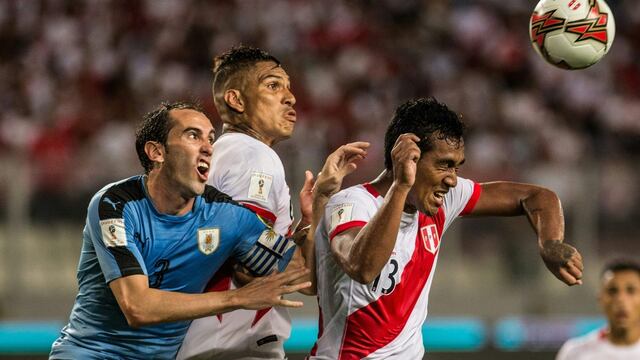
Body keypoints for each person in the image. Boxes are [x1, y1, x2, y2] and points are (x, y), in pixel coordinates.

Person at [309, 97, 585, 359]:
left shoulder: (441, 201)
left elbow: (538, 197)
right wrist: (402, 185)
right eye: (444, 165)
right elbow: (363, 267)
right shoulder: (351, 203)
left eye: (456, 167)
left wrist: (550, 242)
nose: (453, 180)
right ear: (408, 158)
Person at [48, 101, 312, 360]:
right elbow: (137, 307)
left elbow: (300, 274)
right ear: (157, 152)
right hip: (91, 353)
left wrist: (315, 212)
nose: (209, 147)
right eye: (193, 135)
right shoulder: (115, 205)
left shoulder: (228, 216)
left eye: (210, 138)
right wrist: (237, 298)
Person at [178, 46, 370, 359]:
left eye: (288, 86)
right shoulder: (253, 155)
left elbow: (271, 261)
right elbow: (250, 268)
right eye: (273, 85)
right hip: (232, 346)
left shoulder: (222, 154)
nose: (291, 97)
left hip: (207, 343)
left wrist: (313, 212)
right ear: (236, 100)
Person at [556, 259, 640, 360]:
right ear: (600, 299)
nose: (620, 300)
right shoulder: (574, 353)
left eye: (631, 290)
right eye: (612, 291)